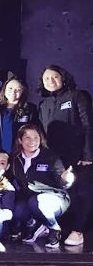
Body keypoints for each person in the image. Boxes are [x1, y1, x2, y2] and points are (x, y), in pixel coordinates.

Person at [38, 65, 93, 247]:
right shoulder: (43, 104)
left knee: (82, 193)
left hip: (79, 157)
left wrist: (88, 154)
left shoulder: (77, 96)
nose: (51, 81)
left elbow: (88, 126)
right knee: (65, 195)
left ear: (63, 77)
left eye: (55, 76)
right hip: (56, 159)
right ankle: (61, 229)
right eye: (46, 78)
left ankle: (78, 231)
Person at [10, 124, 73, 250]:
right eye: (27, 137)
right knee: (17, 211)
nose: (32, 141)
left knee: (37, 201)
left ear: (40, 139)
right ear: (20, 140)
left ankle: (53, 228)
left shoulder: (50, 157)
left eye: (35, 137)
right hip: (29, 199)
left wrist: (66, 179)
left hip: (55, 198)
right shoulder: (15, 159)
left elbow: (62, 184)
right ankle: (37, 224)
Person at [0, 77, 40, 155]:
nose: (13, 92)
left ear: (23, 91)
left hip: (21, 155)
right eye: (10, 88)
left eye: (18, 90)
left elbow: (36, 132)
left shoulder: (30, 110)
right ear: (4, 89)